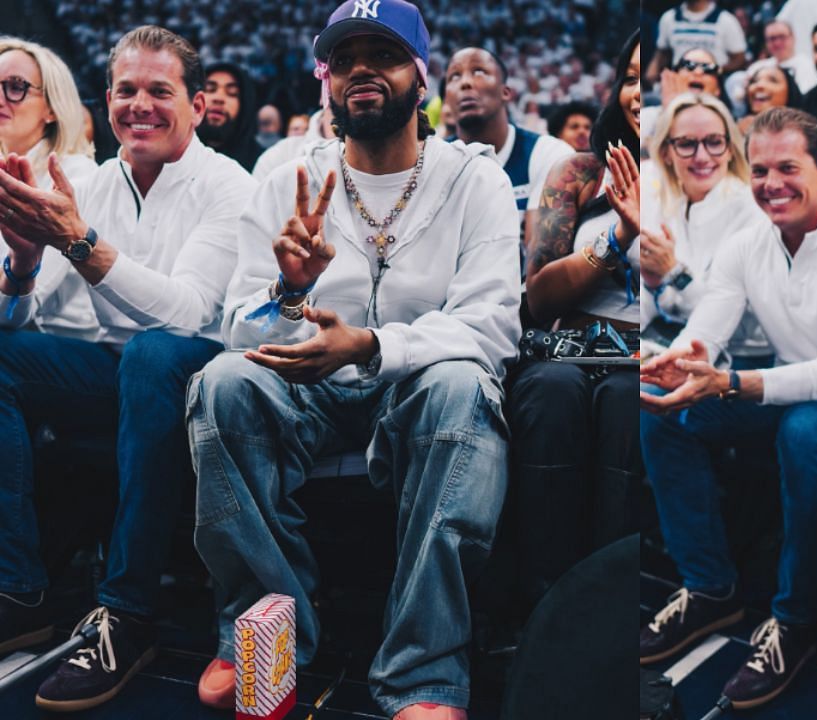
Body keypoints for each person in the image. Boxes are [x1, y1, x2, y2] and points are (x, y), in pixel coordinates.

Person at [188, 2, 519, 719]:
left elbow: (491, 326)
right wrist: (288, 289)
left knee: (463, 385)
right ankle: (263, 633)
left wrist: (373, 347)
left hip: (413, 389)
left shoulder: (475, 179)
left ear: (420, 75)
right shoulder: (284, 178)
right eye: (344, 58)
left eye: (384, 53)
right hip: (306, 387)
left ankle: (424, 672)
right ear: (325, 80)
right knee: (223, 383)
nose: (361, 69)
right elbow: (236, 330)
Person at [0, 26, 255, 711]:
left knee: (151, 352)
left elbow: (189, 312)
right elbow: (27, 319)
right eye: (126, 90)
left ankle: (128, 611)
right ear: (105, 100)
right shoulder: (91, 181)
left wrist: (79, 243)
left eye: (159, 91)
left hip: (201, 380)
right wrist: (23, 264)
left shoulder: (228, 184)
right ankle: (19, 588)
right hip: (117, 378)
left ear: (198, 106)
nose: (139, 104)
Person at [638, 106, 817, 709]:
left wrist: (731, 382)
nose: (772, 184)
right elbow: (707, 330)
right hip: (791, 387)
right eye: (762, 169)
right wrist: (681, 364)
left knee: (803, 430)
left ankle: (794, 619)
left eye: (788, 168)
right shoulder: (749, 242)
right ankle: (710, 586)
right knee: (659, 408)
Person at [507, 31, 642, 609]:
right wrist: (619, 237)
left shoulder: (705, 172)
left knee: (624, 401)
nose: (645, 91)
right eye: (634, 77)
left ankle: (611, 596)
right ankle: (544, 597)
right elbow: (539, 298)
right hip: (569, 348)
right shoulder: (578, 172)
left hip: (648, 359)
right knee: (553, 394)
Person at [638, 92, 768, 363]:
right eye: (686, 144)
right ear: (666, 152)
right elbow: (655, 300)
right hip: (668, 339)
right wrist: (651, 286)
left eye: (714, 142)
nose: (702, 156)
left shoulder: (754, 211)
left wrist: (673, 272)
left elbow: (728, 322)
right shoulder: (662, 199)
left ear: (731, 149)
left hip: (740, 357)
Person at [0, 37, 98, 341]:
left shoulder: (76, 177)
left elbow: (18, 312)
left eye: (15, 87)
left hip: (59, 348)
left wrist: (22, 262)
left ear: (53, 109)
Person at [444, 47, 574, 254]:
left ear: (506, 92)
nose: (465, 82)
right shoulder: (431, 162)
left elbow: (540, 263)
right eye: (454, 76)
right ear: (446, 100)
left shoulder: (548, 154)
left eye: (479, 71)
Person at [646, 0, 747, 85]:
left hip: (712, 83)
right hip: (680, 83)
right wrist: (653, 69)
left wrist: (714, 70)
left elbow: (739, 58)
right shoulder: (669, 18)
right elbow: (663, 52)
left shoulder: (726, 20)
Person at [196, 61, 262, 171]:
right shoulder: (172, 155)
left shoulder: (262, 164)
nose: (219, 98)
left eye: (232, 93)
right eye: (210, 89)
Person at [737, 63, 803, 135]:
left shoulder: (805, 132)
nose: (759, 85)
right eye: (754, 81)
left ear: (791, 90)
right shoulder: (734, 130)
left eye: (772, 80)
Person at [763, 20, 817, 94]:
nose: (777, 43)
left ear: (793, 37)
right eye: (772, 39)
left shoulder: (808, 66)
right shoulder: (758, 67)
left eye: (782, 37)